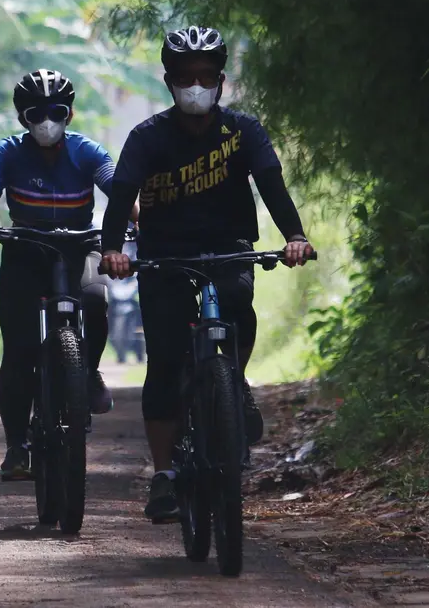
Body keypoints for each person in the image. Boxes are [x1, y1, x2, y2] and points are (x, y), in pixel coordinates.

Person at [98, 26, 316, 522]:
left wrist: (295, 235)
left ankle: (232, 384)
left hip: (228, 248)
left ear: (219, 80)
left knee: (240, 307)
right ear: (170, 82)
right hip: (163, 256)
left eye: (204, 76)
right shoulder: (147, 137)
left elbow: (271, 186)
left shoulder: (244, 131)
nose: (195, 85)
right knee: (166, 364)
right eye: (184, 77)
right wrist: (113, 248)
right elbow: (120, 196)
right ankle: (162, 475)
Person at [0, 68, 138, 481]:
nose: (45, 121)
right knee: (19, 351)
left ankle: (87, 372)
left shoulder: (88, 152)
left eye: (55, 111)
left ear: (69, 113)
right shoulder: (7, 152)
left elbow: (120, 192)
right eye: (34, 114)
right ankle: (16, 447)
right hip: (25, 249)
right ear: (22, 118)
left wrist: (148, 222)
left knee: (95, 301)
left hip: (80, 245)